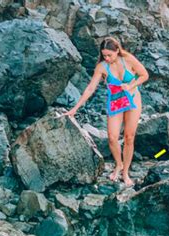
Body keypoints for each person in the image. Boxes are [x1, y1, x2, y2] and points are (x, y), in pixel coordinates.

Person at [63, 37, 149, 187]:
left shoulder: (128, 59)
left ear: (117, 50)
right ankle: (119, 164)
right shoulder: (102, 67)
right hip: (115, 102)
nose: (107, 58)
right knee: (112, 137)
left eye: (109, 55)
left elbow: (144, 75)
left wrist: (130, 85)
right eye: (104, 55)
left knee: (129, 137)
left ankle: (125, 172)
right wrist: (74, 109)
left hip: (133, 99)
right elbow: (90, 88)